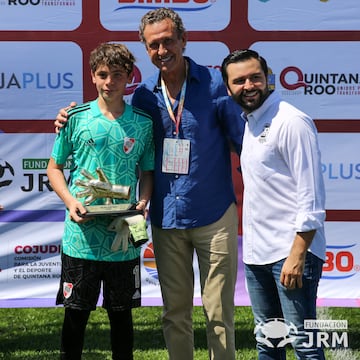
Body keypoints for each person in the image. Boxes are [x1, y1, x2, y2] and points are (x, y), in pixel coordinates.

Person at [54, 8, 245, 360]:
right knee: (175, 314)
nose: (162, 50)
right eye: (153, 44)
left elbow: (244, 145)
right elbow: (112, 126)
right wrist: (67, 116)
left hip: (214, 215)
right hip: (166, 218)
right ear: (146, 49)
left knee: (218, 314)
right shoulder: (143, 98)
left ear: (183, 41)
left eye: (168, 41)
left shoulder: (216, 85)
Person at [47, 42, 154, 360]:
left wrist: (144, 200)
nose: (110, 82)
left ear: (128, 77)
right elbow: (54, 168)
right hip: (81, 237)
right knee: (75, 315)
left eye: (117, 75)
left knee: (122, 317)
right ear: (93, 76)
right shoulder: (75, 118)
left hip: (124, 235)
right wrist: (70, 202)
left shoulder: (143, 123)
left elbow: (147, 172)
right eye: (103, 74)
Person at [221, 49, 326, 359]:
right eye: (239, 81)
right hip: (258, 256)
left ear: (268, 78)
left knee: (304, 345)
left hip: (291, 254)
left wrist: (296, 255)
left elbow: (312, 196)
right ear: (229, 89)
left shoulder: (291, 121)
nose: (249, 86)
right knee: (269, 344)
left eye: (255, 77)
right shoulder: (250, 123)